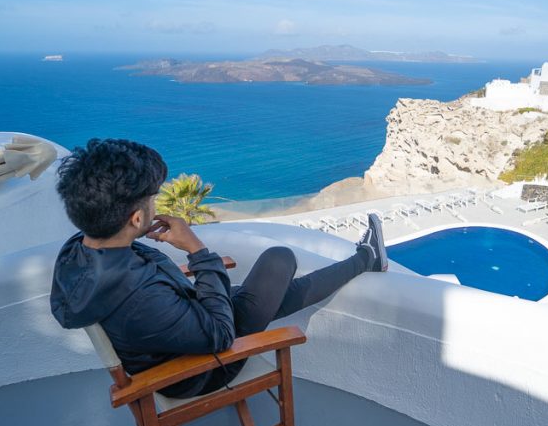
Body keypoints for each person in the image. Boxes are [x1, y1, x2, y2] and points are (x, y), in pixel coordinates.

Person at [49, 138, 387, 398]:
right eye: (151, 199)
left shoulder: (79, 250)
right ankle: (366, 259)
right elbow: (221, 336)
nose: (155, 204)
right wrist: (196, 248)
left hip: (179, 329)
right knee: (279, 259)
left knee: (272, 287)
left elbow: (155, 297)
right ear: (136, 218)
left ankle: (366, 259)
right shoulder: (140, 299)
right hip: (196, 370)